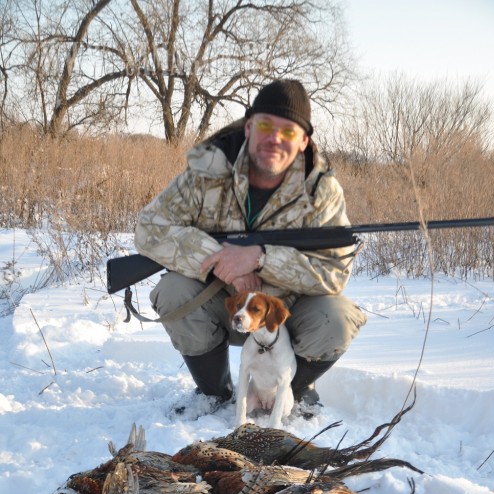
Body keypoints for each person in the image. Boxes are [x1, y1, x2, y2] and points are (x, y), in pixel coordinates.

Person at [134, 79, 367, 416]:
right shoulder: (206, 174)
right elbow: (149, 228)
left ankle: (290, 391)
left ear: (303, 141)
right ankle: (213, 393)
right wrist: (221, 262)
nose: (275, 138)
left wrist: (261, 259)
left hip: (285, 313)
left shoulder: (322, 191)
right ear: (248, 127)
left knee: (337, 319)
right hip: (224, 303)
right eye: (265, 126)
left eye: (288, 132)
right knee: (172, 291)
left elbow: (334, 273)